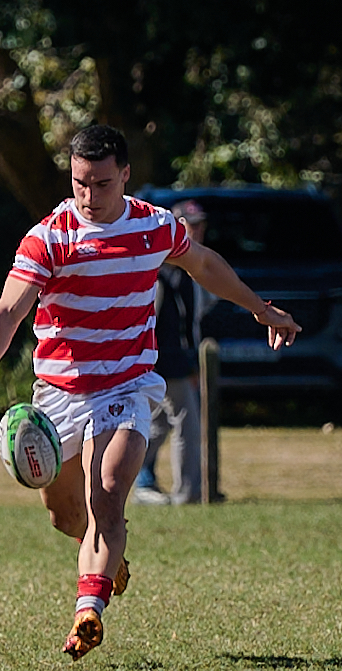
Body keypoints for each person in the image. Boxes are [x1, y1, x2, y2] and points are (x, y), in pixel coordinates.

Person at [0, 124, 300, 661]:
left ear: (125, 176)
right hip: (57, 392)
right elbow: (8, 311)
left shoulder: (153, 227)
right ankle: (111, 562)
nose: (89, 196)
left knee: (106, 492)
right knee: (63, 514)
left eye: (101, 184)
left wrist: (260, 307)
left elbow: (204, 265)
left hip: (125, 385)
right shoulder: (49, 237)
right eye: (80, 183)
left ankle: (89, 610)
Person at [132, 199, 206, 506]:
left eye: (200, 224)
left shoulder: (193, 268)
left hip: (177, 361)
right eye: (189, 225)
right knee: (186, 422)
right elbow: (154, 323)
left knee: (159, 422)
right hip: (164, 362)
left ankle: (134, 476)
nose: (196, 230)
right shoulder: (162, 271)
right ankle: (187, 492)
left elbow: (193, 322)